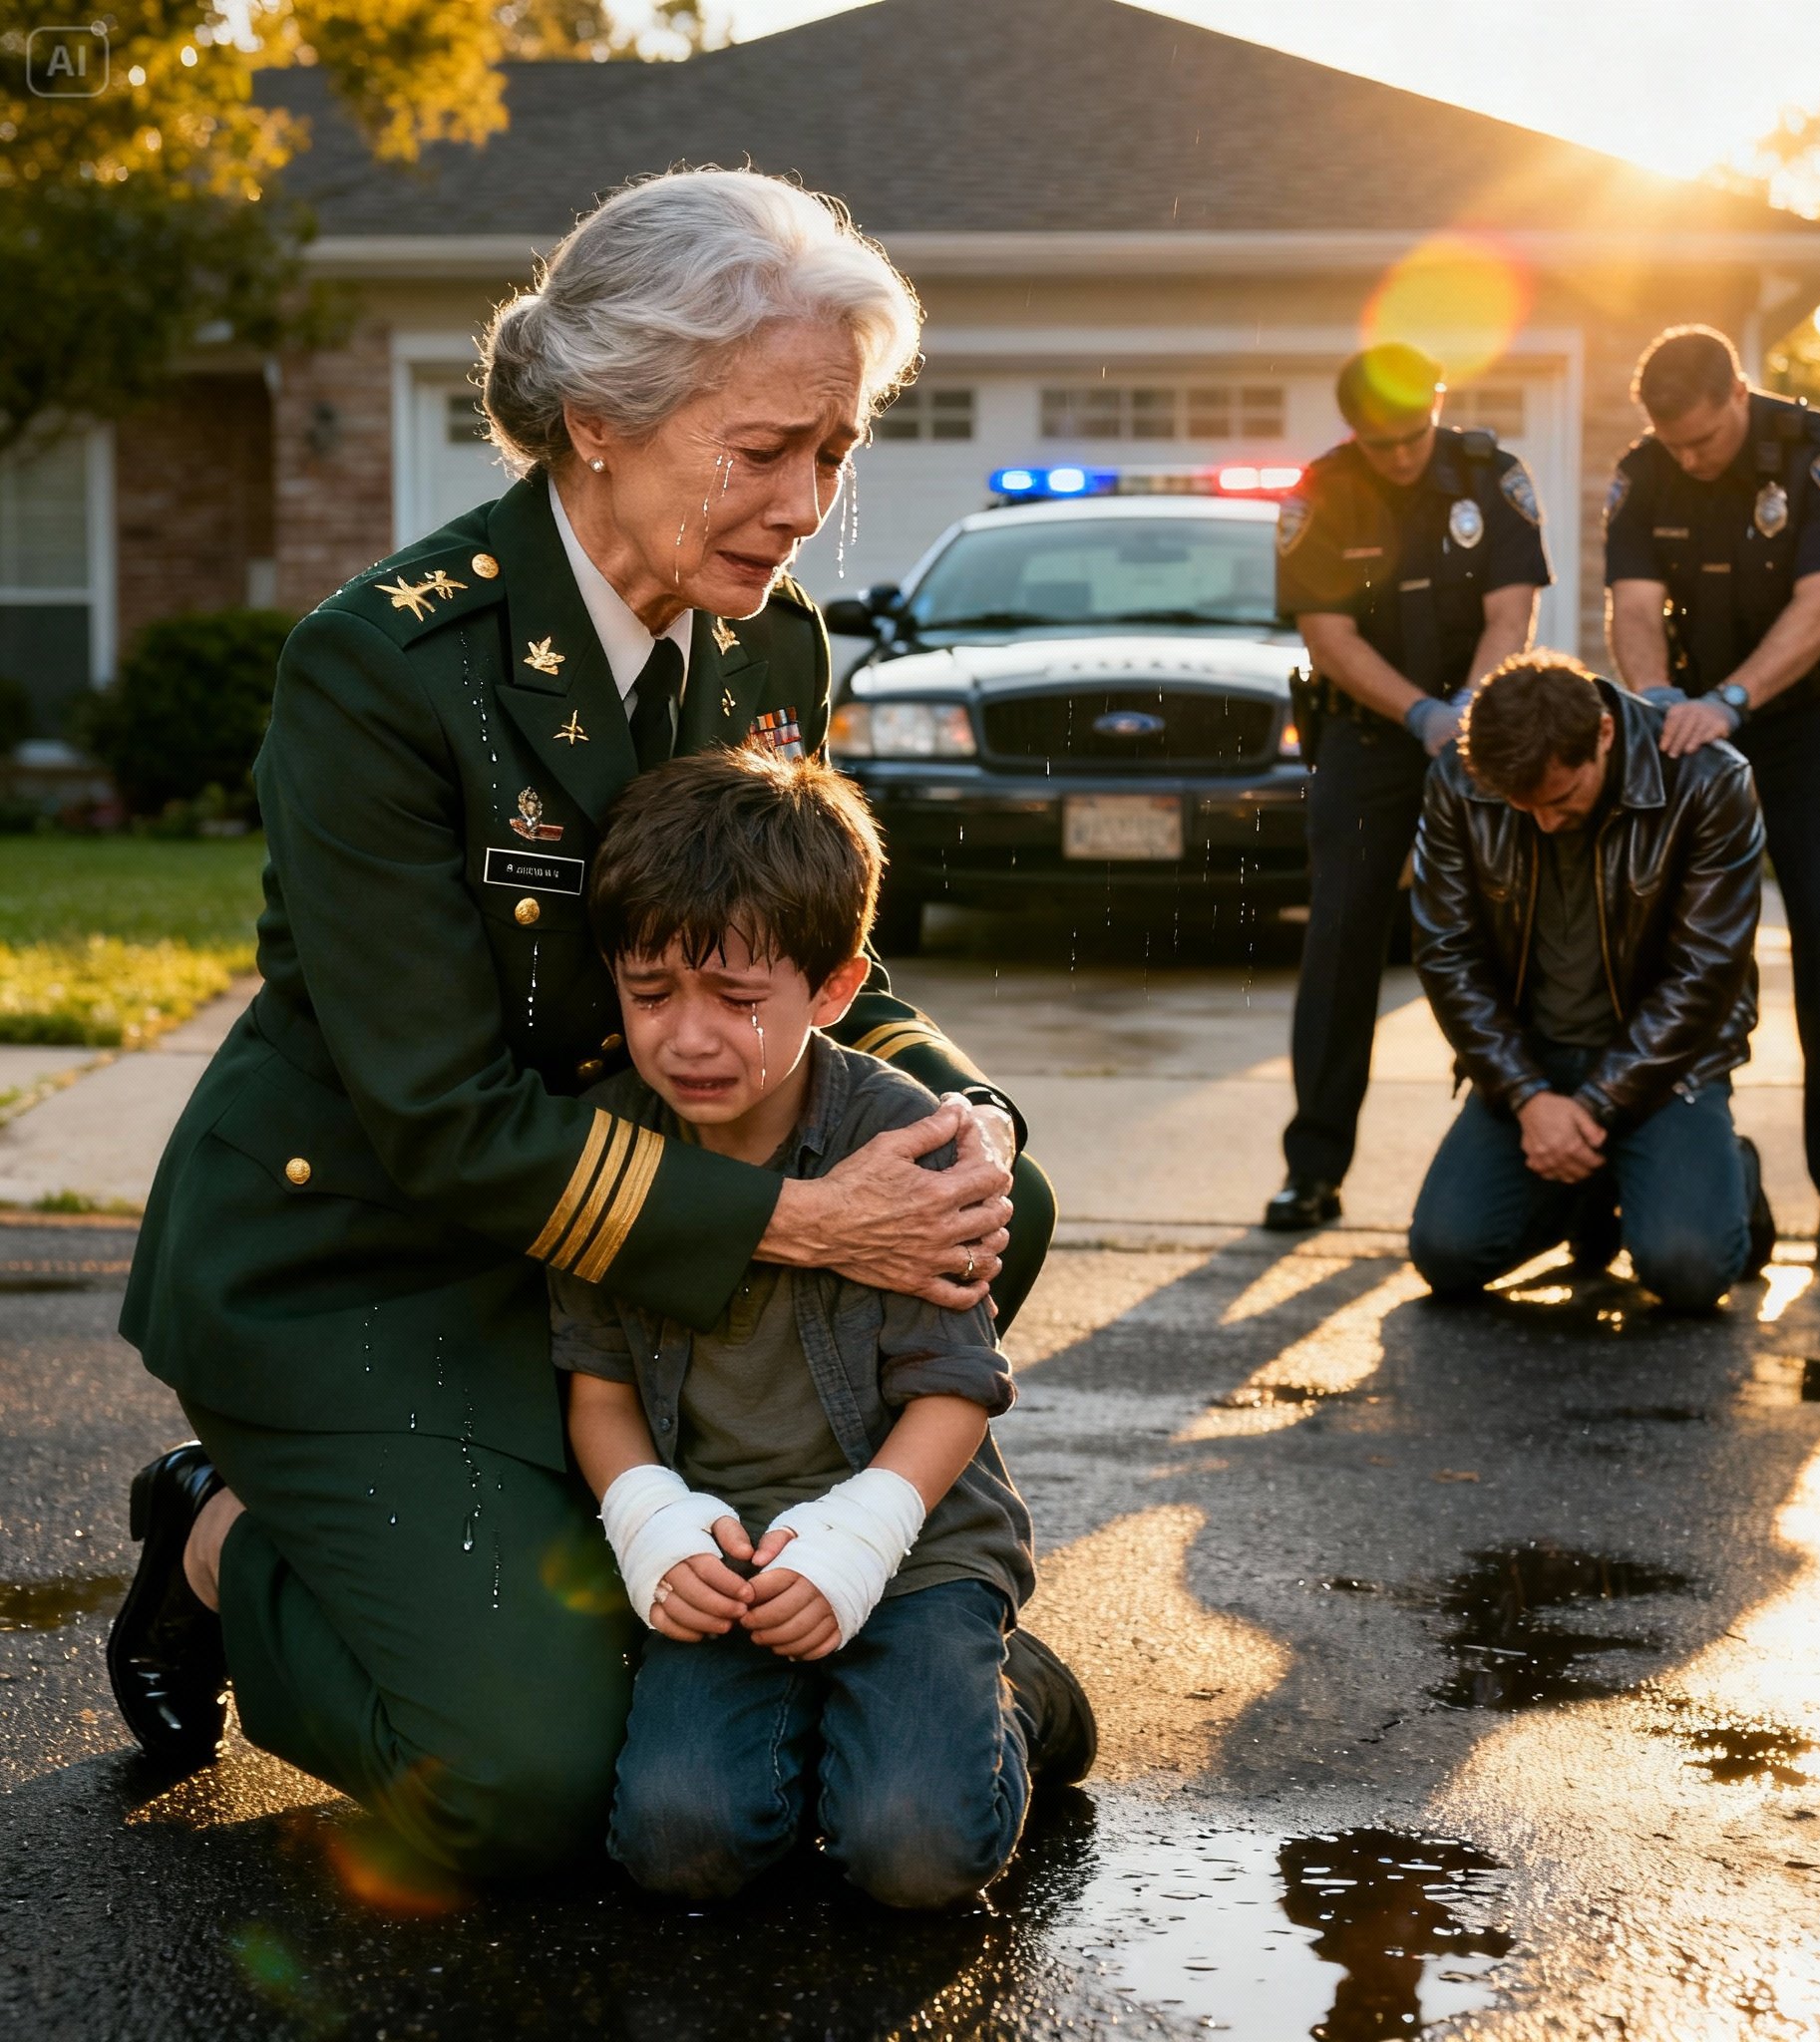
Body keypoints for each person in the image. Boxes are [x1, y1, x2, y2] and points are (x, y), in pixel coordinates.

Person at [107, 168, 1058, 1878]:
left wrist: (963, 1114)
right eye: (765, 447)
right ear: (602, 417)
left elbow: (818, 962)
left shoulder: (766, 653)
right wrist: (806, 1212)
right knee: (535, 1785)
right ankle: (217, 1539)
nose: (807, 499)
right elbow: (438, 1110)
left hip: (621, 1246)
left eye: (832, 451)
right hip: (374, 1255)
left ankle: (847, 1592)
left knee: (984, 1201)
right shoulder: (385, 668)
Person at [555, 747, 1092, 1909]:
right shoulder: (608, 1146)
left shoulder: (907, 1150)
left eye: (738, 1001)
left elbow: (955, 1387)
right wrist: (651, 1521)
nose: (687, 1037)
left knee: (913, 1852)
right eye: (650, 992)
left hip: (907, 1544)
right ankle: (831, 1713)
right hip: (722, 1547)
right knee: (679, 1843)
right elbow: (596, 1387)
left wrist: (858, 1535)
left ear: (836, 987)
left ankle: (1020, 1695)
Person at [1604, 324, 1820, 1263]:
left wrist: (1734, 699)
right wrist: (1654, 704)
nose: (1689, 459)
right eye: (1673, 444)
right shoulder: (1645, 473)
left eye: (1704, 440)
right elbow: (1635, 608)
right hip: (1687, 724)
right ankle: (1658, 1177)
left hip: (1806, 725)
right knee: (1656, 943)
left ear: (1739, 395)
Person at [1265, 342, 1550, 1232]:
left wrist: (1470, 713)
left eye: (1411, 435)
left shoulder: (1491, 475)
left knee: (1516, 933)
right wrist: (1420, 714)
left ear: (1438, 401)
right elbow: (1328, 636)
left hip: (1484, 728)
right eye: (1379, 441)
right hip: (1369, 735)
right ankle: (1313, 1168)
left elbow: (1511, 611)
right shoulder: (1323, 489)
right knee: (1342, 944)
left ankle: (1541, 1146)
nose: (1398, 455)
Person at [1407, 652, 1774, 1310]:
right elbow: (1446, 952)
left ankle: (1729, 1175)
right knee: (1448, 1255)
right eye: (1520, 806)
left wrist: (1597, 1104)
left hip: (1665, 1071)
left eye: (1560, 799)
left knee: (1687, 1271)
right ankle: (1592, 1186)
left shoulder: (1709, 781)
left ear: (1603, 733)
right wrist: (1526, 1095)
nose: (1544, 821)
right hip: (1531, 1068)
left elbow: (1705, 973)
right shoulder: (1459, 780)